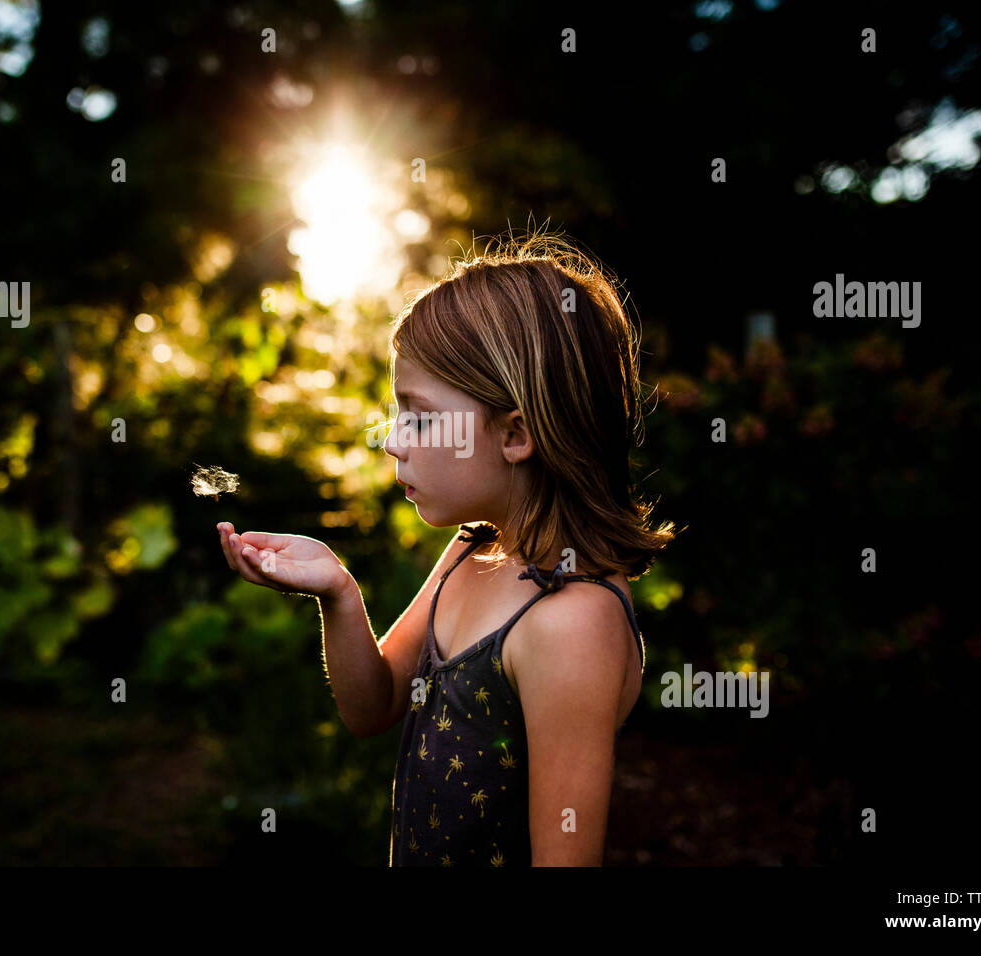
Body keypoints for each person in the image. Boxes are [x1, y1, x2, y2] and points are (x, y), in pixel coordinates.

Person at [216, 228, 678, 865]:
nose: (392, 440)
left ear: (516, 433)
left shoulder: (573, 620)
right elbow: (372, 706)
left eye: (419, 415)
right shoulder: (471, 553)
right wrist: (339, 594)